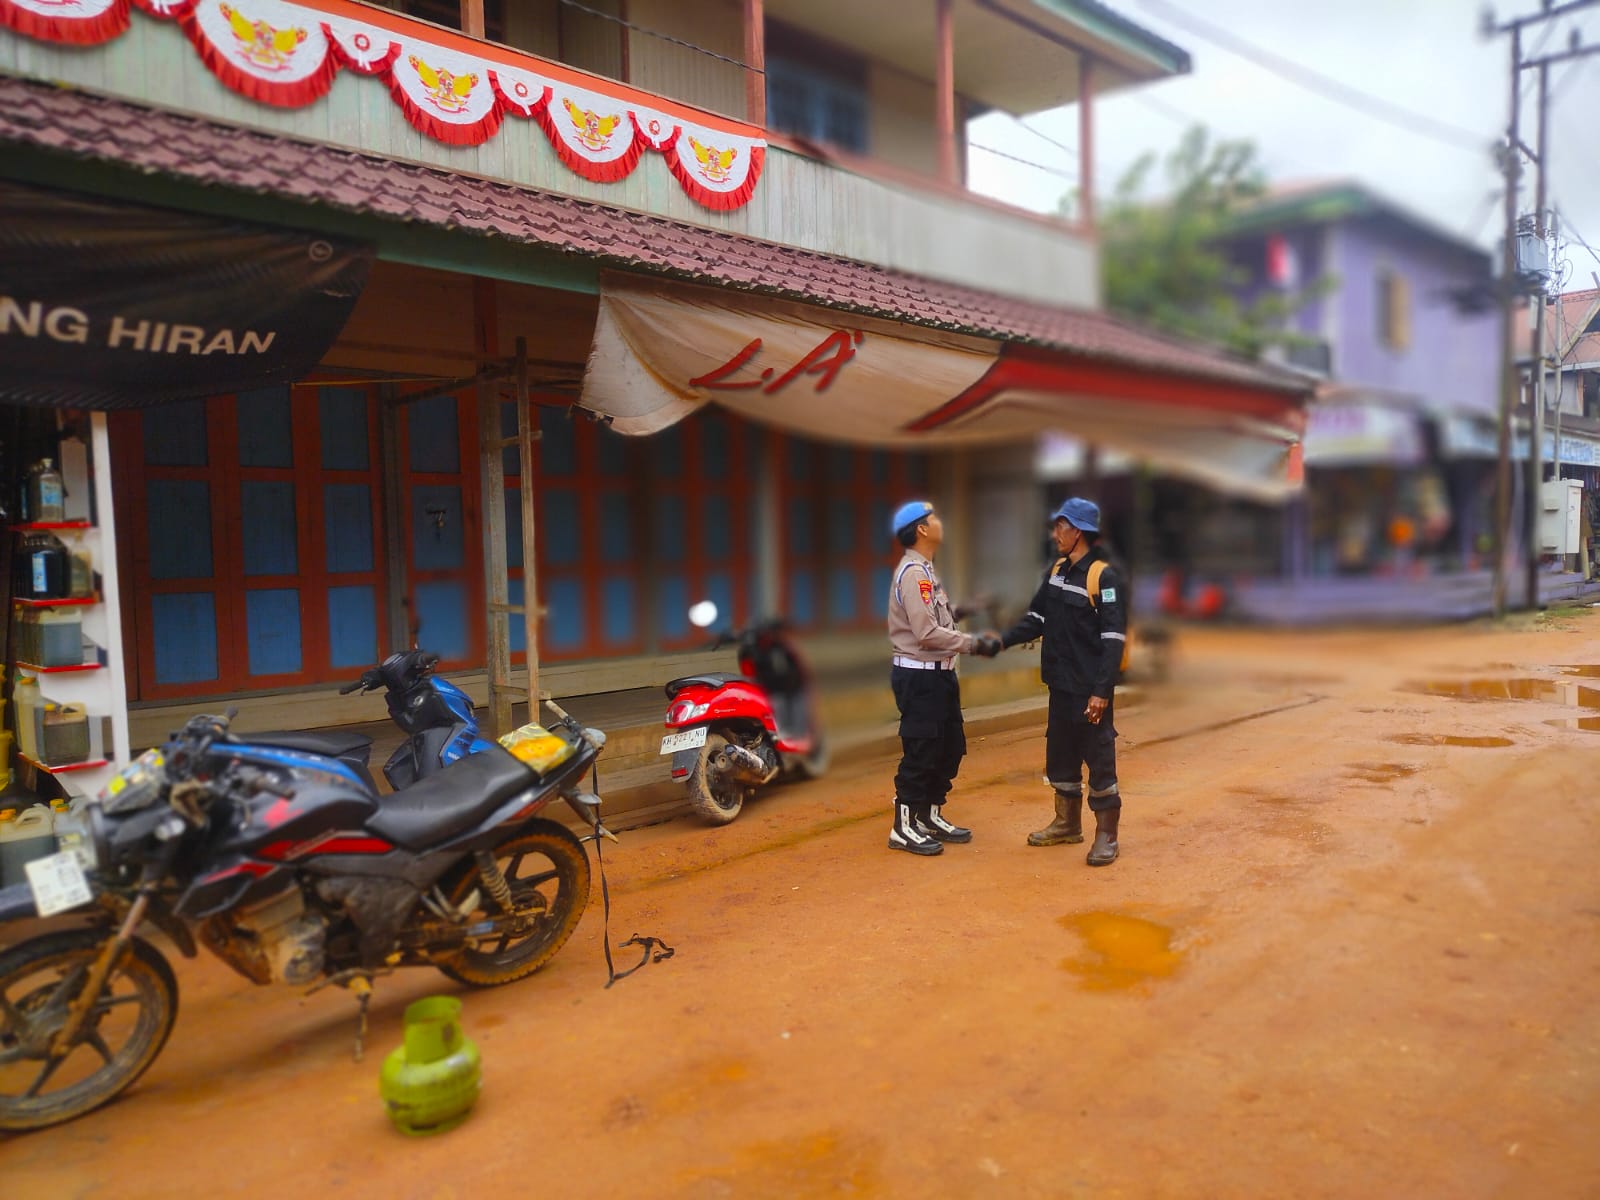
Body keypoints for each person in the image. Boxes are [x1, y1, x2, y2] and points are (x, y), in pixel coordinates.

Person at [998, 497, 1127, 866]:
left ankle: (1107, 835)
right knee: (1061, 755)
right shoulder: (1056, 570)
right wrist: (998, 641)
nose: (1055, 533)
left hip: (1090, 692)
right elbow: (1036, 618)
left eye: (1062, 526)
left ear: (1080, 532)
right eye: (1056, 525)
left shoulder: (1103, 577)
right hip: (1060, 686)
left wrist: (1102, 691)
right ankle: (1067, 823)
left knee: (1099, 760)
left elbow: (1113, 639)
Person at [885, 499, 1000, 856]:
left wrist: (967, 609)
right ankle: (903, 828)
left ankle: (929, 815)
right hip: (920, 679)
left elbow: (939, 617)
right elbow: (925, 633)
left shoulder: (927, 570)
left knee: (949, 748)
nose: (939, 522)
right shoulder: (913, 573)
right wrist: (974, 643)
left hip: (940, 676)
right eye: (933, 517)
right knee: (921, 750)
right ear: (921, 528)